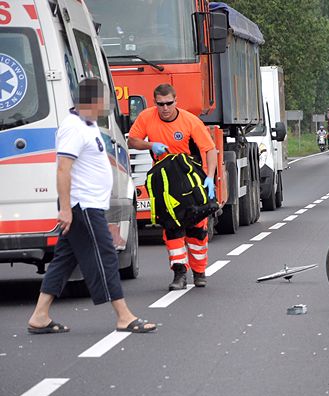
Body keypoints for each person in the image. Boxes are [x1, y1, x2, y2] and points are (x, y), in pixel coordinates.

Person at [27, 79, 157, 334]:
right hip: (81, 205)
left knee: (65, 259)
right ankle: (123, 315)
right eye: (103, 102)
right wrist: (65, 209)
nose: (105, 107)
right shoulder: (73, 128)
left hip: (88, 205)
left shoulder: (88, 125)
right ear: (93, 101)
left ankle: (39, 316)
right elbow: (63, 169)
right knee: (105, 256)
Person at [128, 84, 218, 291]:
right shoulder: (146, 117)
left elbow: (210, 150)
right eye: (160, 104)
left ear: (176, 101)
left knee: (197, 229)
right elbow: (132, 140)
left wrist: (210, 178)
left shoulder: (190, 121)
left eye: (169, 103)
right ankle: (179, 273)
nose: (165, 108)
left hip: (190, 178)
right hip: (164, 181)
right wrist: (151, 145)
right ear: (155, 103)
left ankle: (199, 271)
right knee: (172, 227)